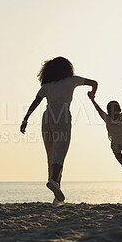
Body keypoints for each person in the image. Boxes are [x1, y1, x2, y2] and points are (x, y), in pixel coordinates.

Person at [20, 56, 98, 205]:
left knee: (51, 154)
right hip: (62, 114)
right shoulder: (72, 80)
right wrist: (92, 94)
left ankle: (57, 195)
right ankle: (53, 181)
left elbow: (36, 101)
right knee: (60, 152)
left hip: (47, 116)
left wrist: (25, 119)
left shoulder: (48, 85)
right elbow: (94, 83)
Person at [88, 94, 122, 175]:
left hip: (115, 143)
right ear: (119, 109)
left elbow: (99, 110)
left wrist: (93, 100)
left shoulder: (107, 119)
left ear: (108, 111)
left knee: (117, 152)